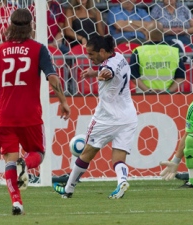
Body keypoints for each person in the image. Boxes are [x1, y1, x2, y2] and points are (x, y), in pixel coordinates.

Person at [0, 8, 71, 215]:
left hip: (5, 115)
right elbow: (52, 77)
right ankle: (26, 164)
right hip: (30, 114)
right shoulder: (38, 49)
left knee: (9, 160)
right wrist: (63, 101)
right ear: (31, 26)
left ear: (10, 26)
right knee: (38, 154)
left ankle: (17, 203)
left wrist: (0, 92)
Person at [53, 35, 138, 199]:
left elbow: (108, 72)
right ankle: (122, 182)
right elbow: (108, 67)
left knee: (86, 154)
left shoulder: (108, 68)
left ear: (102, 51)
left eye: (91, 55)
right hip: (128, 117)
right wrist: (94, 72)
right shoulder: (119, 57)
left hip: (106, 119)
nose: (89, 57)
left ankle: (68, 189)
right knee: (118, 158)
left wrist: (101, 75)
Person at [129, 22, 185, 93]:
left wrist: (148, 91)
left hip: (143, 96)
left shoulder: (139, 51)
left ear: (147, 34)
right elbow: (180, 77)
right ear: (162, 35)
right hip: (167, 97)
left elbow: (133, 76)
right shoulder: (174, 51)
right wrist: (167, 91)